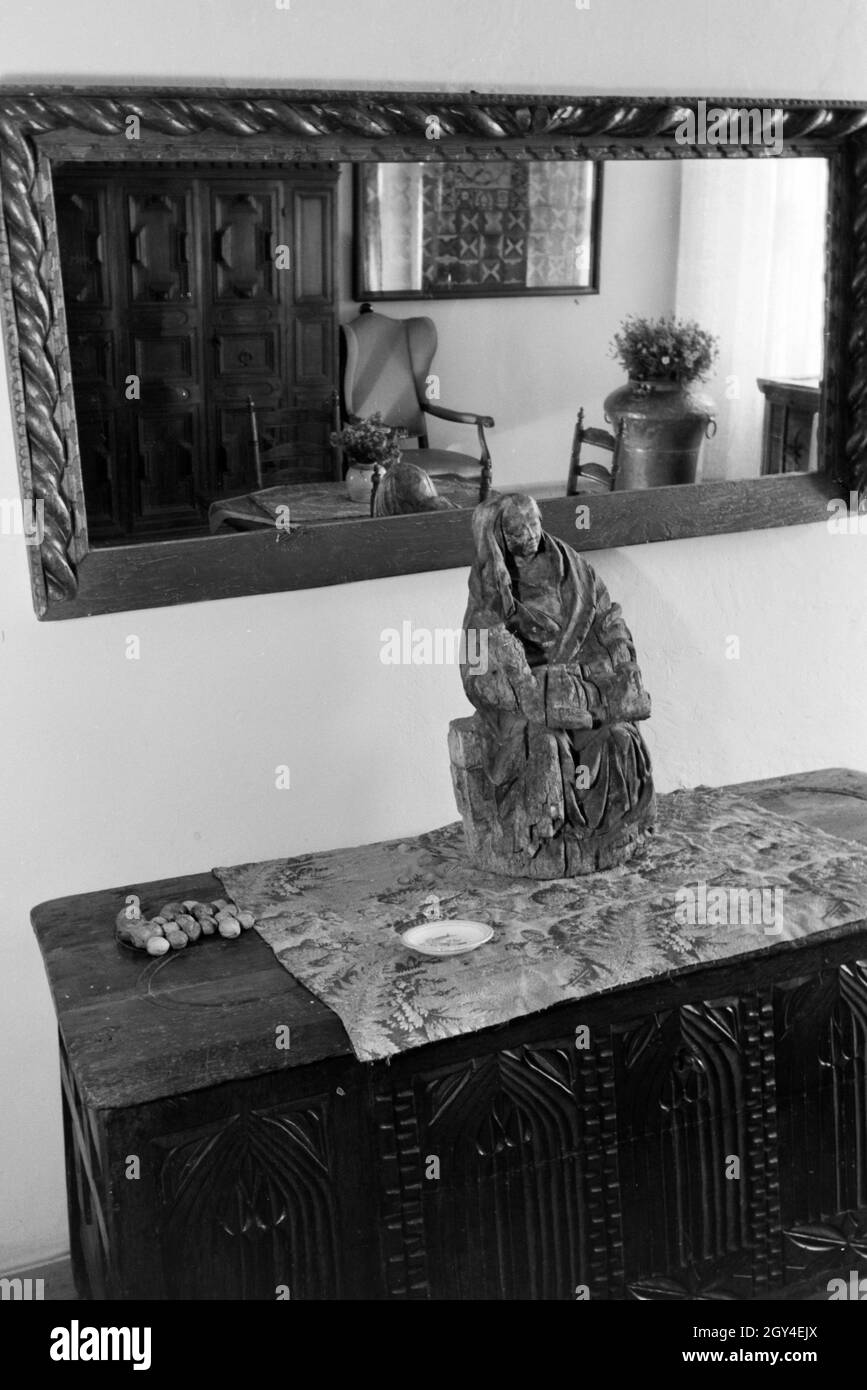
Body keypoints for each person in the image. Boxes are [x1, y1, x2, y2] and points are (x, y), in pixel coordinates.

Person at [460, 493, 654, 860]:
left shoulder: (574, 569)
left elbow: (607, 617)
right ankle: (545, 840)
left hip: (583, 688)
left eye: (534, 523)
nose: (530, 535)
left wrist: (620, 658)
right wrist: (523, 689)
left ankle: (610, 835)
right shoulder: (490, 587)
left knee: (619, 737)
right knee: (548, 744)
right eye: (517, 531)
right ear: (499, 537)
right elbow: (477, 657)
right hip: (526, 701)